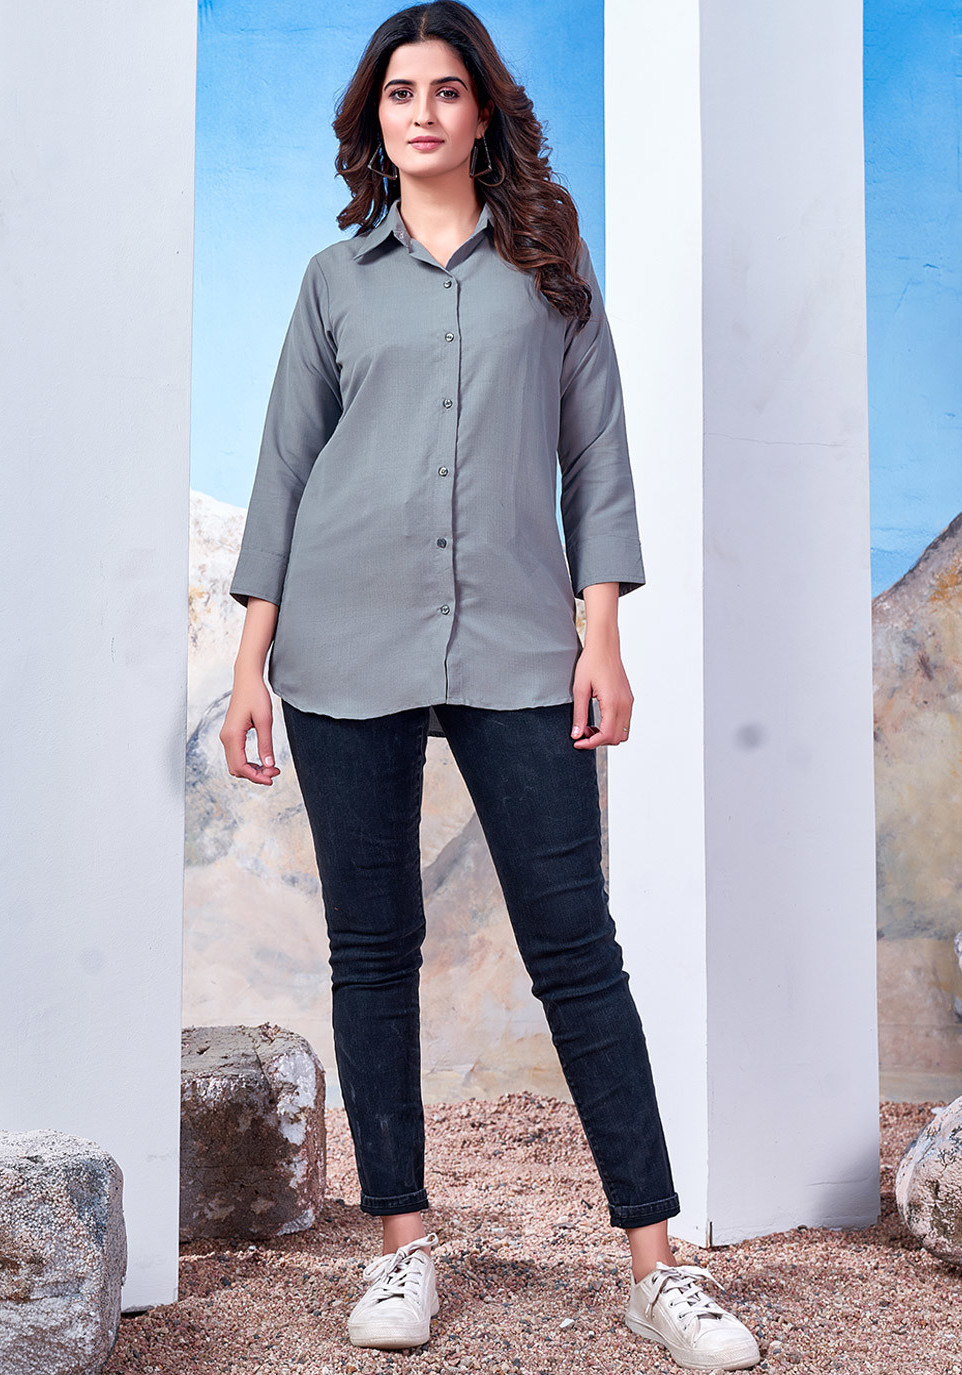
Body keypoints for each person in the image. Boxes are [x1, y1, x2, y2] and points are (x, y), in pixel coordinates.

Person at [219, 2, 760, 1368]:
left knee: (576, 947)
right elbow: (284, 468)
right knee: (372, 949)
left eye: (445, 90)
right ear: (376, 118)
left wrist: (600, 634)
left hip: (520, 644)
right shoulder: (334, 282)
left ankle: (657, 1269)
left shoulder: (549, 272)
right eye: (399, 92)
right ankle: (401, 1248)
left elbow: (599, 457)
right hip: (342, 643)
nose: (421, 112)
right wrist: (248, 662)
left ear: (482, 114)